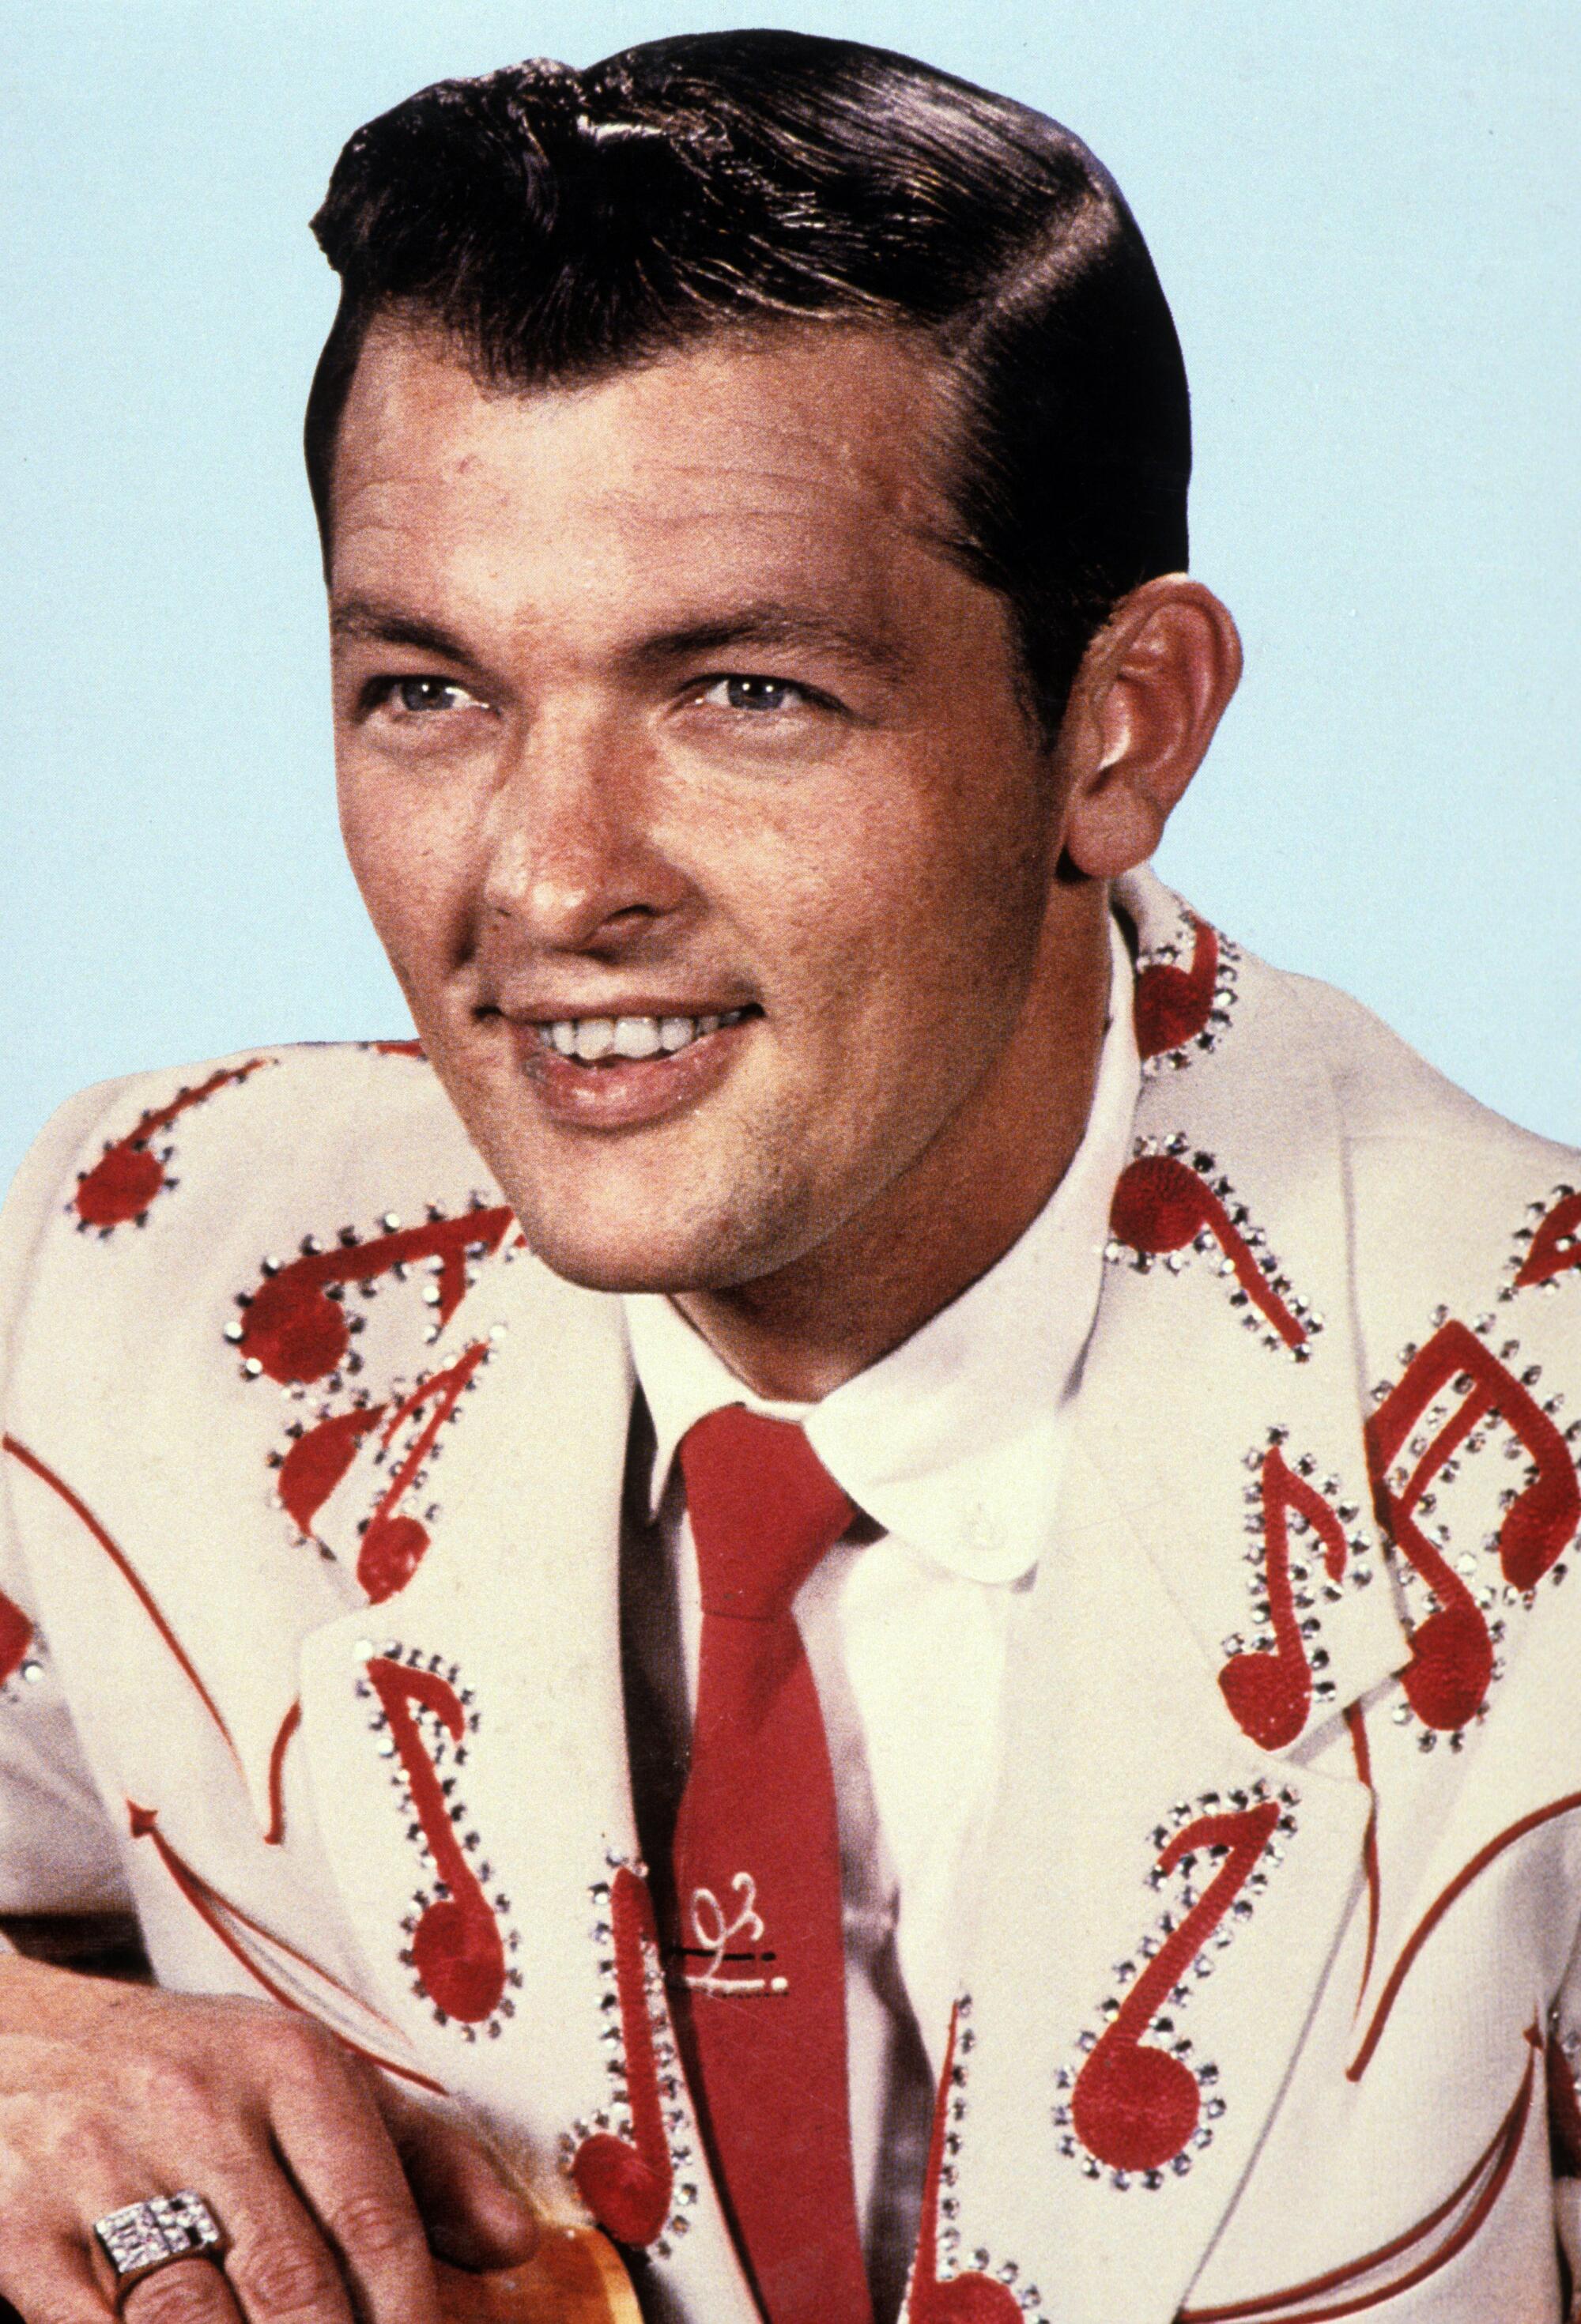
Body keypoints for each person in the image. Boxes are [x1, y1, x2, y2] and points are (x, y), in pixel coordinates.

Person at [1, 26, 1578, 2324]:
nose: (547, 882)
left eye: (744, 691)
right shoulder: (151, 1260)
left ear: (1121, 727)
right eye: (428, 689)